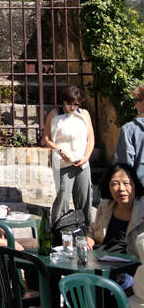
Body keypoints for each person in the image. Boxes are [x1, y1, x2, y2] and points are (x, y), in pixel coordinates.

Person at [41, 85, 95, 227]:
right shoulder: (54, 114)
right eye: (69, 103)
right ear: (63, 101)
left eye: (76, 103)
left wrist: (86, 157)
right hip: (63, 162)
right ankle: (58, 229)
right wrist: (59, 150)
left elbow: (90, 139)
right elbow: (46, 138)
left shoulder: (84, 114)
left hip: (82, 162)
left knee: (85, 196)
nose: (72, 107)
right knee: (63, 197)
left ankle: (86, 230)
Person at [85, 164, 144, 293]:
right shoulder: (105, 206)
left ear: (134, 185)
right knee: (77, 286)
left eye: (126, 183)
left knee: (118, 288)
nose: (121, 189)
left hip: (133, 268)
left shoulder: (142, 210)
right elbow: (93, 233)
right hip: (102, 263)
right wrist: (89, 239)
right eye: (115, 184)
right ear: (109, 187)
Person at [114, 86, 144, 179]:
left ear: (143, 103)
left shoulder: (129, 129)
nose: (135, 104)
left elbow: (125, 163)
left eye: (135, 100)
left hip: (139, 185)